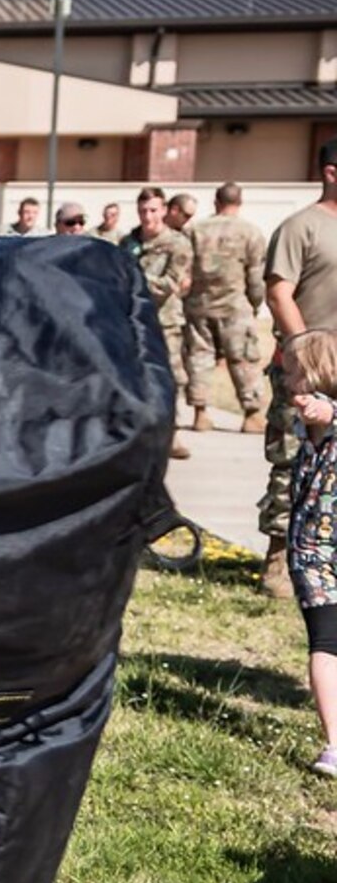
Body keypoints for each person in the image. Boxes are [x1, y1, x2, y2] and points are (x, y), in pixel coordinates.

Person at [261, 139, 337, 598]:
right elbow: (278, 293)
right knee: (293, 458)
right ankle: (277, 556)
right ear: (331, 172)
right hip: (307, 368)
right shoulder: (300, 226)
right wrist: (305, 352)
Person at [281, 330, 337, 776]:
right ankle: (336, 745)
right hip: (313, 551)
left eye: (290, 373)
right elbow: (314, 410)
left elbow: (322, 409)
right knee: (327, 642)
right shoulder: (308, 416)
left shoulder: (320, 412)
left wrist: (329, 407)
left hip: (314, 547)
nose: (285, 383)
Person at [185, 181, 269, 435]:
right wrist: (254, 304)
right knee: (243, 359)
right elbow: (256, 278)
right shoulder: (251, 232)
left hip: (199, 305)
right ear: (239, 203)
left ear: (216, 202)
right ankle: (252, 414)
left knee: (199, 358)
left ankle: (200, 413)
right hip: (235, 306)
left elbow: (185, 269)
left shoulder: (195, 230)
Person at [127, 186, 194, 460]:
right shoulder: (128, 242)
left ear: (164, 210)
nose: (148, 216)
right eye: (143, 211)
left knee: (170, 378)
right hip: (132, 320)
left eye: (153, 210)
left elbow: (169, 284)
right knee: (133, 376)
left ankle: (172, 433)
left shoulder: (177, 244)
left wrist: (135, 277)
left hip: (165, 321)